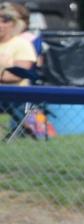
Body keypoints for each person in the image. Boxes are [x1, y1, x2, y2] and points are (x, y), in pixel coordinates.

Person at [0, 3, 38, 134]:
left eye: (5, 20)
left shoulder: (22, 44)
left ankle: (30, 127)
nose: (0, 24)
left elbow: (17, 75)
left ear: (13, 24)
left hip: (16, 95)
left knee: (29, 127)